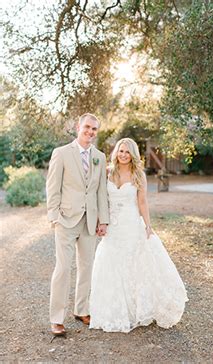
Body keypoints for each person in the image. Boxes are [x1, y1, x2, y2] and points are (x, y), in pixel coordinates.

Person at [89, 138, 188, 333]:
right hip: (113, 227)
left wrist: (148, 225)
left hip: (131, 224)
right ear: (116, 152)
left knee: (134, 264)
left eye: (127, 152)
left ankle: (136, 309)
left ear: (133, 154)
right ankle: (114, 310)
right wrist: (101, 220)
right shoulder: (108, 172)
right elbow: (101, 199)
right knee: (111, 263)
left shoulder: (138, 174)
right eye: (121, 151)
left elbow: (142, 202)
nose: (123, 155)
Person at [46, 113, 109, 336]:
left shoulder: (99, 157)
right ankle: (56, 318)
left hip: (90, 221)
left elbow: (102, 190)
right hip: (66, 219)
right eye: (87, 127)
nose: (90, 132)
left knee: (86, 267)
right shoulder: (62, 153)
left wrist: (104, 220)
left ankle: (81, 309)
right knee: (63, 269)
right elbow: (53, 188)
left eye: (94, 129)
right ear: (78, 127)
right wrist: (54, 216)